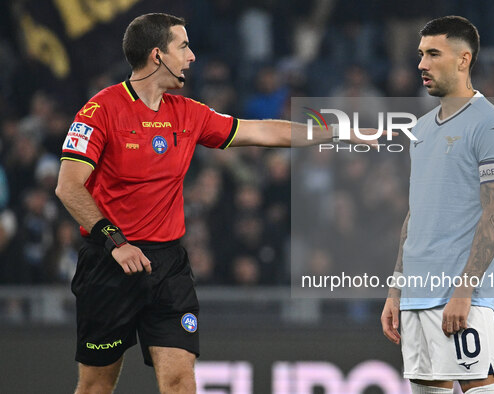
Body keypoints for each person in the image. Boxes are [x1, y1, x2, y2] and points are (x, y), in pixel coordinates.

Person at [55, 13, 380, 394]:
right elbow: (69, 187)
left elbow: (261, 130)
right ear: (157, 55)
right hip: (110, 261)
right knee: (95, 386)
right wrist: (117, 242)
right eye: (184, 46)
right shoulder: (101, 110)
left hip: (168, 267)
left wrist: (337, 131)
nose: (192, 57)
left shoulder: (188, 112)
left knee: (179, 379)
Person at [380, 16, 494, 393]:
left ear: (463, 59)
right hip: (416, 292)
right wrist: (396, 289)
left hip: (459, 292)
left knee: (480, 386)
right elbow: (417, 213)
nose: (421, 64)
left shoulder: (490, 124)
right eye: (421, 54)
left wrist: (466, 289)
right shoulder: (420, 129)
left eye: (433, 54)